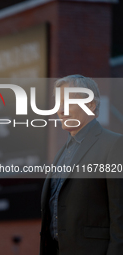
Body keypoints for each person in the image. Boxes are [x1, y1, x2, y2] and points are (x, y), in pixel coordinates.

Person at [39, 75, 123, 255]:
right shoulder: (61, 154)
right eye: (57, 104)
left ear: (91, 105)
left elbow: (120, 216)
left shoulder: (114, 145)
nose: (60, 110)